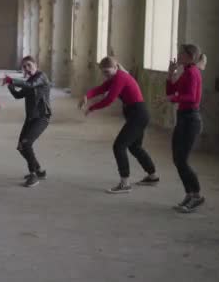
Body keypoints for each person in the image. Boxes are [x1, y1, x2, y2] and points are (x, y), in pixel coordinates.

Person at [78, 56, 158, 194]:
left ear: (116, 68)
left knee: (119, 146)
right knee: (135, 146)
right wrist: (87, 96)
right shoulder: (114, 77)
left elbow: (109, 99)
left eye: (108, 72)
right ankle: (152, 176)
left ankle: (125, 183)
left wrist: (92, 108)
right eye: (103, 72)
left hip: (138, 115)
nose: (105, 75)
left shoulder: (121, 77)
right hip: (136, 114)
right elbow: (101, 89)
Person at [164, 44, 207, 213]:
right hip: (183, 118)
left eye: (181, 53)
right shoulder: (185, 72)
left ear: (190, 56)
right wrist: (170, 74)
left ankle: (196, 195)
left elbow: (192, 98)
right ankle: (190, 194)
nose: (178, 55)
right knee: (177, 159)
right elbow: (172, 89)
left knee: (182, 160)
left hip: (191, 119)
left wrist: (170, 98)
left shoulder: (193, 72)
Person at [2, 56, 51, 187]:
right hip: (30, 118)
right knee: (21, 147)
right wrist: (10, 85)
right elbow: (18, 95)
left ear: (36, 64)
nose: (27, 69)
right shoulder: (30, 80)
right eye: (24, 67)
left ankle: (33, 175)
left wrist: (12, 79)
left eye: (29, 65)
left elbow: (31, 85)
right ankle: (39, 170)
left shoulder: (42, 77)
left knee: (26, 143)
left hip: (42, 117)